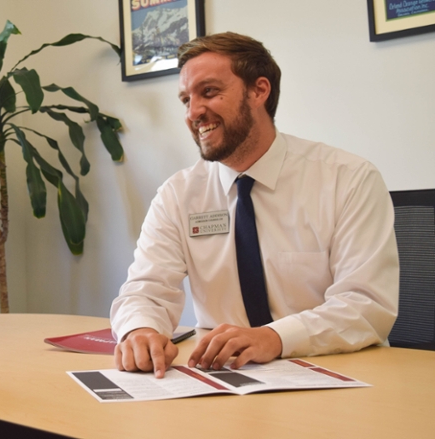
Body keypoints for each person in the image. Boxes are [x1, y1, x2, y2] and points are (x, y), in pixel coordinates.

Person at [110, 32, 399, 378]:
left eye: (209, 92)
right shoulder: (178, 195)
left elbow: (366, 306)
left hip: (337, 374)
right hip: (224, 379)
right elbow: (146, 289)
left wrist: (273, 338)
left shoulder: (347, 179)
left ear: (259, 91)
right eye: (186, 99)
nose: (194, 112)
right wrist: (140, 330)